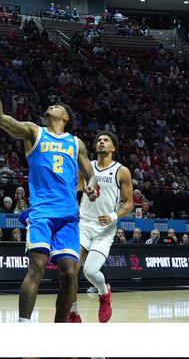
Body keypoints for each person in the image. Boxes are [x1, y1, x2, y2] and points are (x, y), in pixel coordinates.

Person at [0, 64, 97, 322]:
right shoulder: (34, 132)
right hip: (42, 212)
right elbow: (2, 119)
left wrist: (92, 184)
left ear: (65, 118)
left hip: (69, 215)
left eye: (57, 106)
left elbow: (89, 173)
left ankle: (58, 330)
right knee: (37, 266)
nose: (52, 106)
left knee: (70, 272)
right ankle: (23, 325)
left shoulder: (76, 143)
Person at [69, 130, 134, 323]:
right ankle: (73, 312)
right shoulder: (87, 168)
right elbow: (76, 187)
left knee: (89, 271)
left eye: (105, 140)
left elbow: (129, 203)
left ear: (113, 147)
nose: (101, 142)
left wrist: (114, 215)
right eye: (98, 140)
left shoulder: (121, 171)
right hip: (83, 224)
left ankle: (104, 293)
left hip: (104, 231)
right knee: (71, 269)